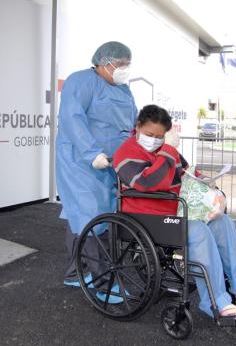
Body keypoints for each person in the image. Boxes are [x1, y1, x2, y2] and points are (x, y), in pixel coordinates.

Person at [113, 104, 236, 318]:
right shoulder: (125, 153)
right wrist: (166, 151)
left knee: (223, 222)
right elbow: (147, 183)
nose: (154, 140)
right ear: (137, 127)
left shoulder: (167, 151)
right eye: (149, 134)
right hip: (146, 217)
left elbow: (190, 174)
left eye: (159, 136)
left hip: (176, 213)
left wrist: (213, 189)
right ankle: (217, 302)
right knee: (199, 232)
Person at [56, 41, 137, 288]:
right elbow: (72, 118)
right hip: (81, 161)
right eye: (120, 64)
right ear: (104, 62)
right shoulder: (80, 81)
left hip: (112, 163)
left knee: (86, 215)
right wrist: (92, 154)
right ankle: (102, 280)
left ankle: (74, 273)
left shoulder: (124, 89)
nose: (124, 68)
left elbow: (133, 120)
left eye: (127, 64)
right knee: (90, 215)